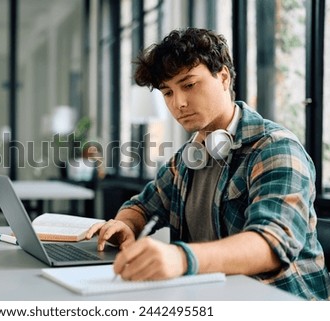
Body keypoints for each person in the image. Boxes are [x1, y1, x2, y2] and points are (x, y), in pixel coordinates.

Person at [86, 28, 330, 300]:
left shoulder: (275, 148)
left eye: (189, 85)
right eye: (168, 92)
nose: (178, 103)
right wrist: (125, 225)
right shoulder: (189, 157)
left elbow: (271, 244)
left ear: (223, 77)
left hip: (285, 305)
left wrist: (181, 258)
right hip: (212, 300)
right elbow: (142, 205)